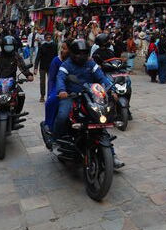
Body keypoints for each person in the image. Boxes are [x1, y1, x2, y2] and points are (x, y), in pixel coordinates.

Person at [53, 38, 124, 169]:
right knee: (62, 115)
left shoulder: (91, 63)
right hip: (72, 96)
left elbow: (101, 77)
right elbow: (60, 78)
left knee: (100, 122)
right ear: (73, 53)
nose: (82, 56)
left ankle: (112, 155)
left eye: (84, 53)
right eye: (79, 53)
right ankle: (57, 140)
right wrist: (62, 90)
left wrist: (112, 90)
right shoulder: (66, 65)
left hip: (90, 97)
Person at [0, 36, 34, 114]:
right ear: (2, 46)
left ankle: (17, 113)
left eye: (10, 46)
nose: (8, 48)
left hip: (11, 82)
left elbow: (23, 67)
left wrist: (28, 75)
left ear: (14, 46)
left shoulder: (16, 56)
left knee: (21, 95)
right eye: (6, 46)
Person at [44, 41, 70, 129]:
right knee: (51, 101)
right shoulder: (56, 60)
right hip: (58, 86)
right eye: (62, 48)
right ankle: (49, 125)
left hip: (72, 86)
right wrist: (49, 93)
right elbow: (51, 79)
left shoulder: (76, 61)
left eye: (65, 48)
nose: (62, 50)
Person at [34, 33, 58, 103]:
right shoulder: (42, 46)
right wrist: (35, 67)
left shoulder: (54, 46)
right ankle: (42, 95)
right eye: (47, 37)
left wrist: (57, 67)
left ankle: (50, 95)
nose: (48, 39)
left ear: (51, 38)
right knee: (42, 82)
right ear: (45, 38)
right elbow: (38, 57)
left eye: (49, 37)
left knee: (51, 82)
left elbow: (56, 56)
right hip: (42, 67)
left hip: (51, 67)